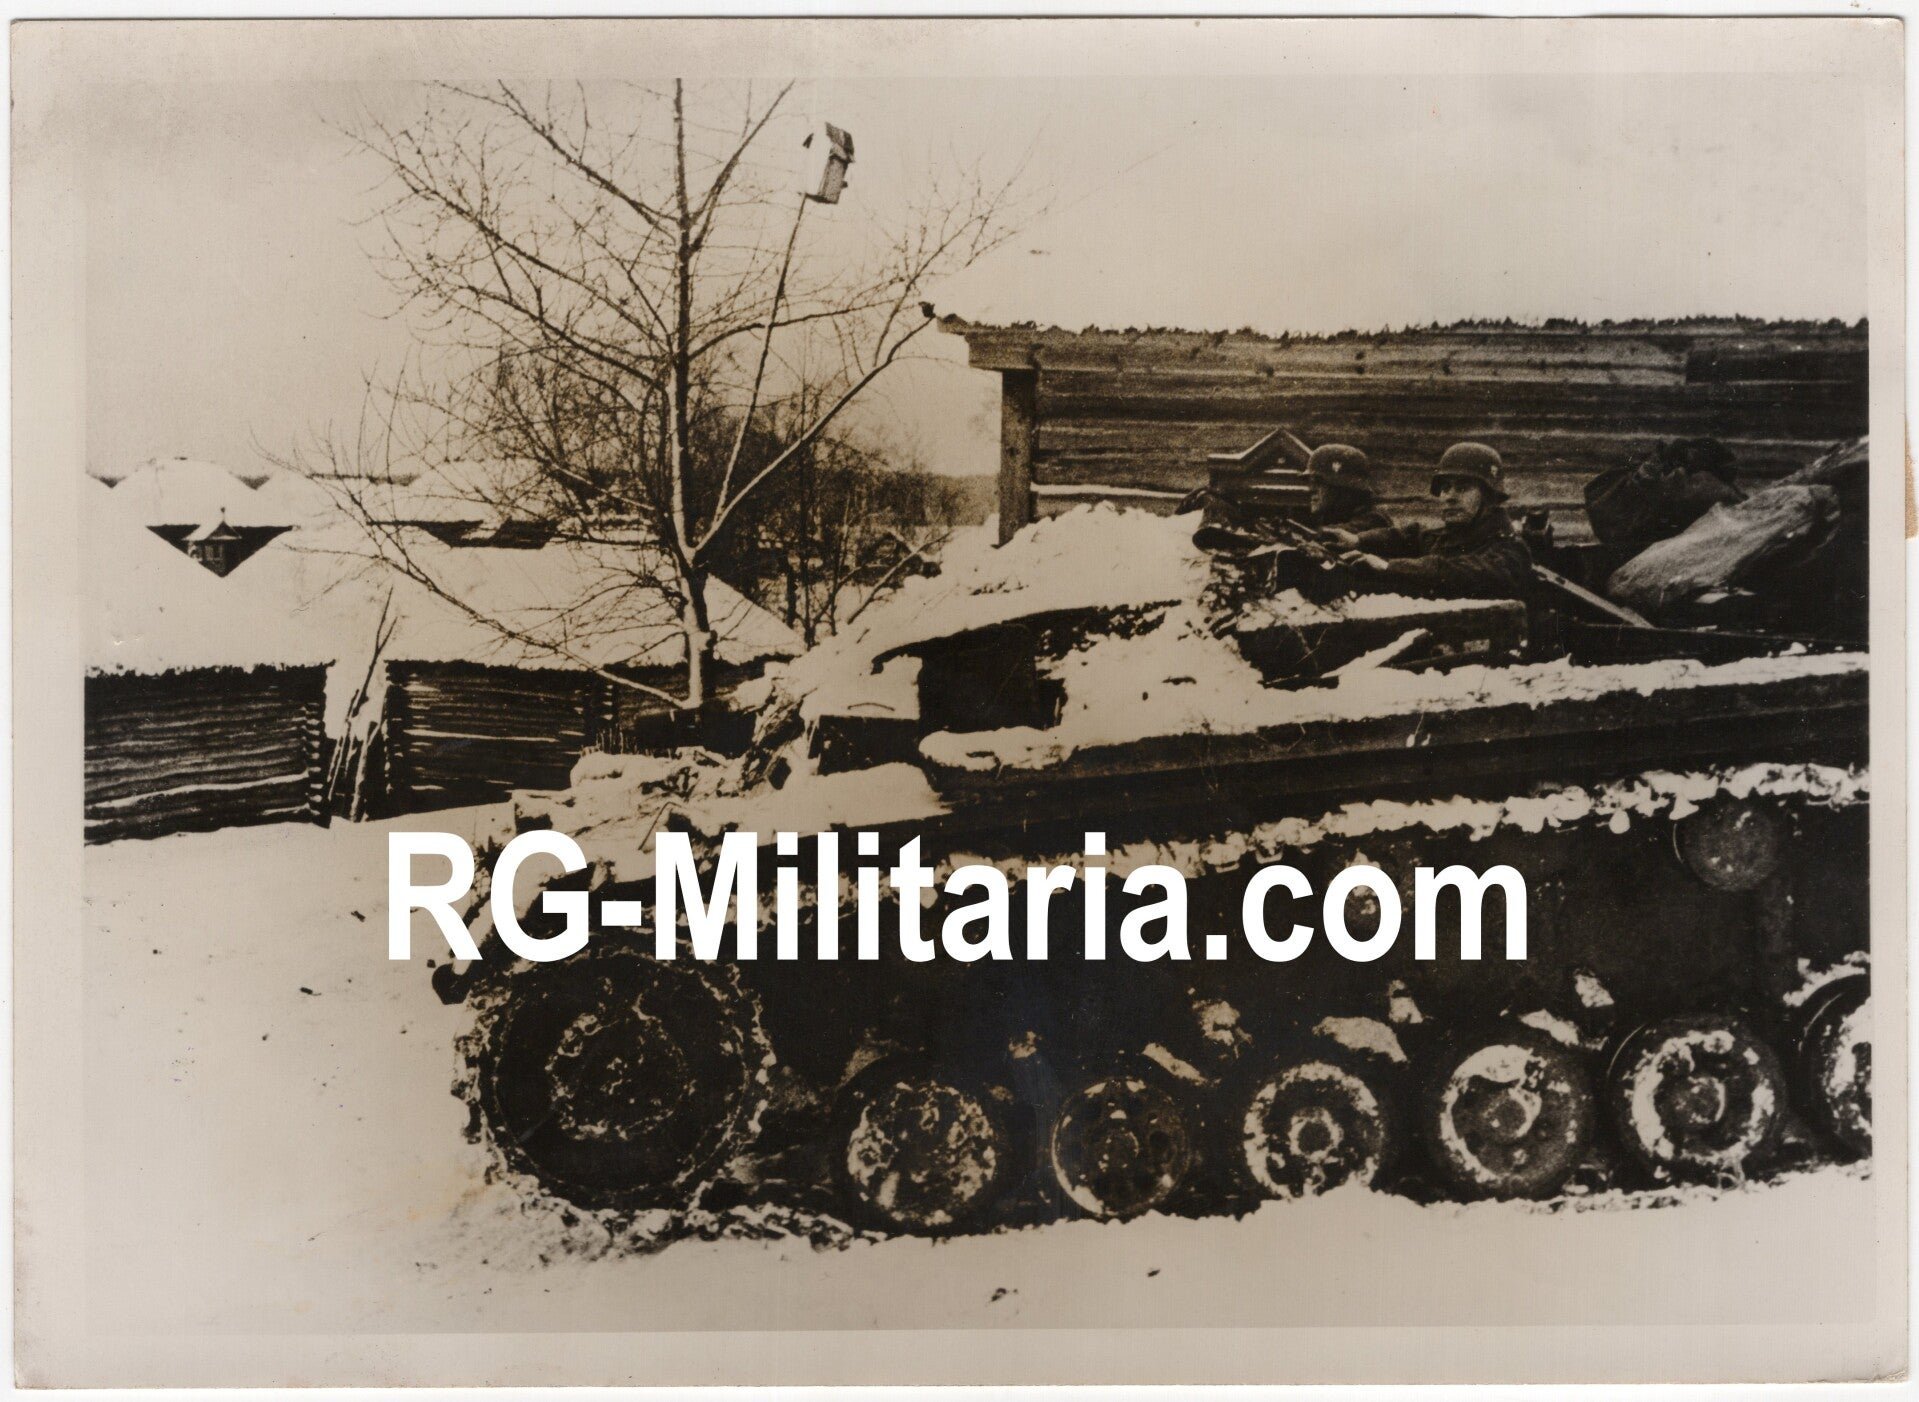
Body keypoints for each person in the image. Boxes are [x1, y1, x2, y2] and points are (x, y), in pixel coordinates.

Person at [1322, 442, 1534, 599]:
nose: (1449, 497)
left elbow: (1458, 571)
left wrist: (1389, 567)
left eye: (1462, 488)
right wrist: (1357, 540)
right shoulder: (1445, 538)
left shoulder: (1510, 550)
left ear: (1488, 498)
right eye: (1445, 488)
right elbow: (1411, 535)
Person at [1305, 443, 1393, 534]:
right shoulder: (1336, 517)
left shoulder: (1374, 520)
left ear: (1344, 488)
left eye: (1319, 483)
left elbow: (1332, 535)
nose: (1311, 489)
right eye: (1310, 482)